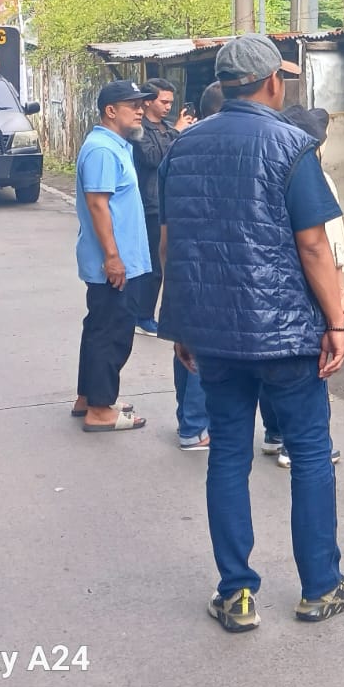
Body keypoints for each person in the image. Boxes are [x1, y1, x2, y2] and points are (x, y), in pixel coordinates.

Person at [159, 35, 344, 632]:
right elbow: (312, 243)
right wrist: (335, 320)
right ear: (273, 82)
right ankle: (320, 587)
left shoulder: (184, 146)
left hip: (214, 334)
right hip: (283, 333)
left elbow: (175, 242)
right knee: (308, 452)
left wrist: (181, 323)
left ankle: (237, 593)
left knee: (227, 453)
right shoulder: (291, 145)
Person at [260, 105, 344, 471]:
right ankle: (299, 446)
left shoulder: (268, 167)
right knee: (315, 367)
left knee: (269, 367)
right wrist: (337, 306)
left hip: (271, 293)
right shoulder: (315, 177)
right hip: (307, 293)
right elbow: (327, 248)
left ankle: (275, 434)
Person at [72, 80, 156, 435]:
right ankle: (100, 410)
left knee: (99, 329)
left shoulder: (114, 146)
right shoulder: (102, 150)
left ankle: (89, 397)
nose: (141, 111)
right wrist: (113, 258)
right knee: (112, 334)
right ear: (111, 111)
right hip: (114, 264)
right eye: (133, 105)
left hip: (119, 260)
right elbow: (97, 204)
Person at [129, 78, 206, 451]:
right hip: (151, 208)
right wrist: (177, 132)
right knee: (154, 267)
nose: (167, 107)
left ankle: (191, 423)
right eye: (162, 101)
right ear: (147, 103)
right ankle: (144, 314)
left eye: (171, 102)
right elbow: (151, 160)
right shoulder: (142, 132)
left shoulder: (167, 129)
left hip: (167, 214)